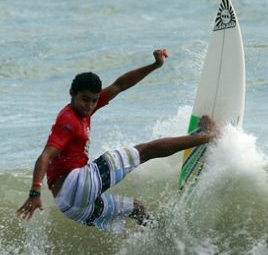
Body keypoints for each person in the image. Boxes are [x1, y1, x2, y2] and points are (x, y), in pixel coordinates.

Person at [16, 49, 219, 232]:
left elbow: (120, 85)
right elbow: (45, 156)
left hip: (70, 207)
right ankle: (209, 136)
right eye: (85, 99)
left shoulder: (85, 109)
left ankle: (160, 235)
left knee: (136, 208)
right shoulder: (68, 121)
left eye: (94, 100)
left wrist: (155, 66)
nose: (89, 105)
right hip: (75, 185)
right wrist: (35, 192)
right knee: (146, 151)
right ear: (72, 94)